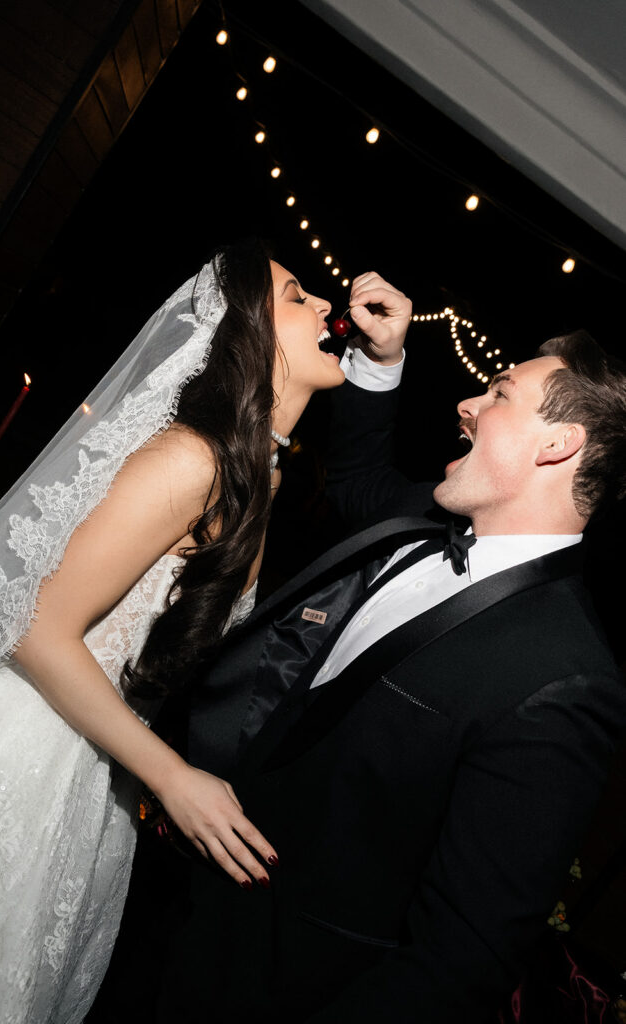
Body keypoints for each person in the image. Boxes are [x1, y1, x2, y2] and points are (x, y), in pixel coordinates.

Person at [156, 272, 626, 1023]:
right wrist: (384, 357)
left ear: (558, 444)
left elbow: (459, 957)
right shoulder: (418, 516)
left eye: (499, 393)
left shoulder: (563, 678)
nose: (467, 403)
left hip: (289, 991)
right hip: (182, 911)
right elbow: (356, 479)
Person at [0, 240, 345, 1024]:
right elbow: (35, 626)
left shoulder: (256, 472)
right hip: (24, 743)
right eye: (298, 296)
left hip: (89, 768)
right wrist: (171, 777)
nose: (326, 306)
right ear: (247, 336)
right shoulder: (188, 461)